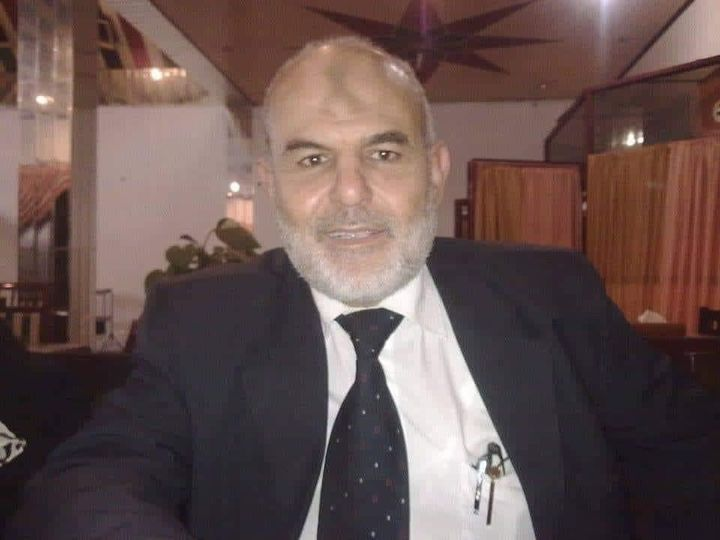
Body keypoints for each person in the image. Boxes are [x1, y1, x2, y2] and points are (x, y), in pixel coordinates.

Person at [8, 37, 719, 540]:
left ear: (435, 169)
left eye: (383, 152)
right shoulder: (205, 322)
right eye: (312, 159)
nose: (351, 194)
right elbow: (95, 476)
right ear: (269, 182)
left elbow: (694, 453)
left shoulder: (550, 297)